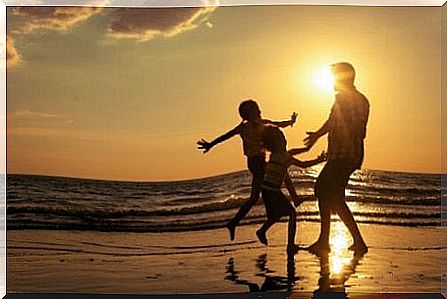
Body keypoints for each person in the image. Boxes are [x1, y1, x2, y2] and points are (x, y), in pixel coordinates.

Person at [197, 100, 299, 241]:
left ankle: (234, 223)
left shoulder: (263, 123)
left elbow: (279, 124)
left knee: (256, 196)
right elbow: (225, 136)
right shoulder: (243, 128)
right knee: (278, 173)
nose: (258, 110)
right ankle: (294, 200)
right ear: (247, 114)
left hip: (260, 161)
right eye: (255, 109)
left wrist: (290, 121)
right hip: (255, 162)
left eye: (257, 108)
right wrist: (211, 144)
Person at [304, 62, 369, 256]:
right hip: (347, 153)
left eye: (333, 77)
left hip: (344, 153)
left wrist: (321, 136)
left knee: (322, 189)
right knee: (333, 195)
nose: (331, 81)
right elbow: (334, 122)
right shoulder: (358, 99)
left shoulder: (347, 99)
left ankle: (326, 241)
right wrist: (317, 134)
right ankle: (356, 241)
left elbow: (351, 126)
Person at [256, 126, 327, 254]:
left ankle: (262, 231)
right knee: (292, 214)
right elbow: (304, 165)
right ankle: (290, 245)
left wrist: (307, 148)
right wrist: (319, 160)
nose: (285, 139)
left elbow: (293, 153)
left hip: (266, 190)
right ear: (278, 143)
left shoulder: (274, 155)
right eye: (282, 138)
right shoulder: (284, 157)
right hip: (273, 191)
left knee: (275, 215)